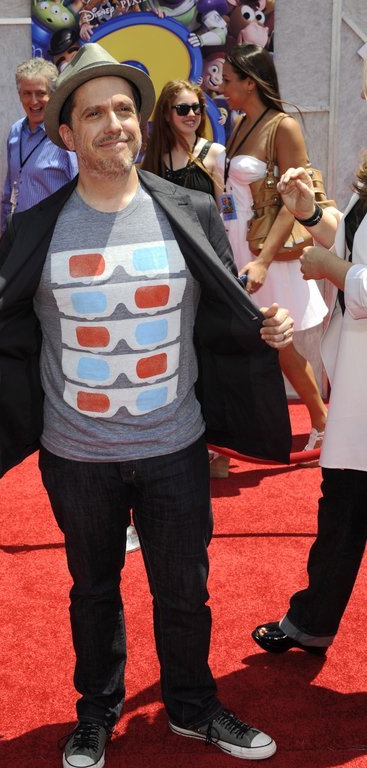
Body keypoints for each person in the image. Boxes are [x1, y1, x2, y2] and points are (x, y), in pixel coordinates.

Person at [0, 44, 295, 767]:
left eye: (124, 109)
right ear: (67, 133)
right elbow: (7, 326)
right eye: (93, 114)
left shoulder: (189, 209)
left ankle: (192, 708)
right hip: (76, 455)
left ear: (140, 122)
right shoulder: (36, 226)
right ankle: (96, 714)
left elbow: (223, 309)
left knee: (184, 593)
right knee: (94, 593)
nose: (114, 124)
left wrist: (266, 327)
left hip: (175, 446)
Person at [252, 66, 367, 656]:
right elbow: (353, 239)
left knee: (344, 502)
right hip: (357, 385)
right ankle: (312, 621)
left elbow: (352, 266)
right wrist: (309, 214)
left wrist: (337, 272)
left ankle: (311, 621)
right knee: (342, 503)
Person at [216, 43, 328, 460]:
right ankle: (250, 429)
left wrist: (262, 260)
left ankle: (322, 421)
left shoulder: (284, 126)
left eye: (228, 80)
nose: (222, 87)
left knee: (281, 344)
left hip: (268, 252)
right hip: (238, 244)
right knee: (256, 341)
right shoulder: (240, 122)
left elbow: (296, 199)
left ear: (250, 82)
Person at [141, 80, 230, 478]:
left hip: (205, 269)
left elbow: (225, 213)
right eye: (182, 108)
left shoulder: (215, 155)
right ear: (166, 113)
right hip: (166, 270)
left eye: (196, 107)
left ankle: (219, 449)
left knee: (207, 354)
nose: (192, 114)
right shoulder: (153, 160)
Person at [0, 57, 78, 233]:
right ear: (19, 95)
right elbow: (9, 190)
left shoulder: (66, 135)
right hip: (20, 234)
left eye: (40, 93)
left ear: (53, 95)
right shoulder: (15, 132)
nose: (34, 101)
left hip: (54, 235)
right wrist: (5, 235)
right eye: (27, 93)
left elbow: (81, 194)